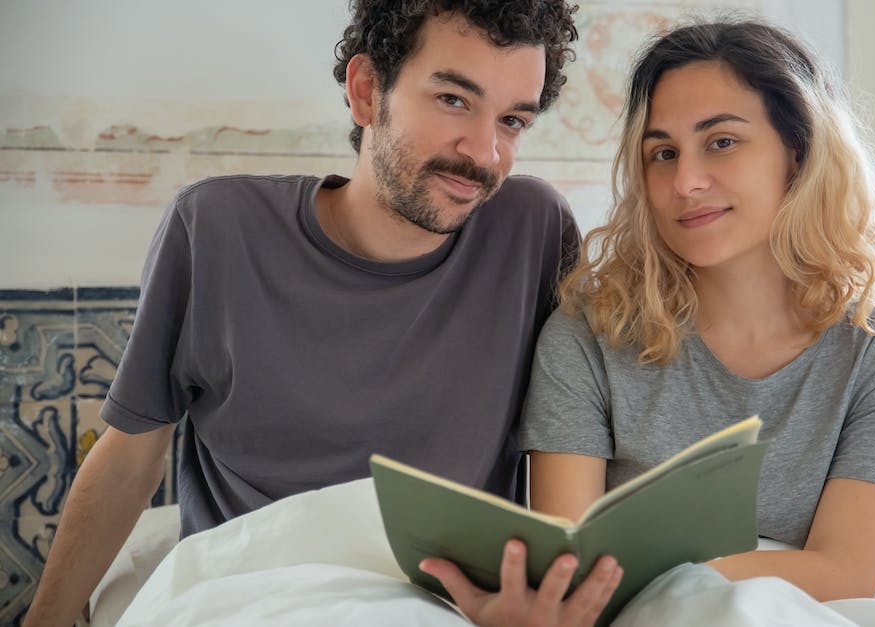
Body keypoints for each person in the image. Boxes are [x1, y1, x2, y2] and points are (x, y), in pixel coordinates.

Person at [26, 2, 620, 625]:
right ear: (367, 92)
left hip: (437, 609)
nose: (485, 153)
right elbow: (128, 462)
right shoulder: (215, 231)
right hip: (245, 598)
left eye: (513, 120)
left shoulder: (532, 231)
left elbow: (582, 424)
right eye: (452, 99)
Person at [518, 19, 875, 603]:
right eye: (663, 153)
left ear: (799, 150)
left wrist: (650, 572)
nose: (685, 181)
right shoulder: (588, 334)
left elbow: (847, 574)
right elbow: (570, 573)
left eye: (722, 141)